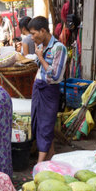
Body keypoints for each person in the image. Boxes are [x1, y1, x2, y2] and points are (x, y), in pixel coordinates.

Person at [29, 16, 67, 163]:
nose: (32, 37)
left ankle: (39, 163)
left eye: (33, 33)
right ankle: (50, 153)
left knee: (46, 123)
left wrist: (41, 57)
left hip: (49, 90)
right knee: (38, 122)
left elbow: (55, 75)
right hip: (38, 87)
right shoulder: (41, 47)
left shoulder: (59, 48)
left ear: (43, 30)